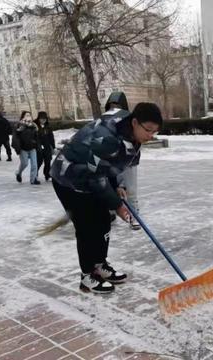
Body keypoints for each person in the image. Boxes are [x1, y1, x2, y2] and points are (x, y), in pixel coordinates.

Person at [50, 102, 163, 294]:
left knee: (103, 222)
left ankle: (99, 264)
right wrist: (117, 205)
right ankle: (87, 276)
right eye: (149, 130)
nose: (151, 136)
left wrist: (116, 185)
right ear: (135, 122)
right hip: (69, 177)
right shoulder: (106, 138)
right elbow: (95, 176)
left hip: (92, 174)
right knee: (86, 227)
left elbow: (110, 164)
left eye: (155, 132)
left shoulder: (129, 130)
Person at [104, 92, 142, 231]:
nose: (114, 110)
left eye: (117, 106)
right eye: (111, 107)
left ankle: (134, 216)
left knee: (130, 189)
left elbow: (135, 142)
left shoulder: (130, 123)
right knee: (111, 187)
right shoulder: (106, 122)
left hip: (128, 160)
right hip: (111, 161)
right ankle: (110, 212)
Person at [12, 111, 41, 185]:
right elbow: (15, 137)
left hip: (32, 147)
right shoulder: (19, 125)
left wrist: (37, 144)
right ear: (23, 117)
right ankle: (19, 173)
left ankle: (33, 179)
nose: (28, 116)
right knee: (24, 163)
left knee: (34, 164)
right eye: (26, 115)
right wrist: (17, 147)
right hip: (23, 148)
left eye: (29, 115)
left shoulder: (34, 125)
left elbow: (36, 136)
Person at [34, 111, 55, 181]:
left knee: (48, 161)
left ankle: (47, 174)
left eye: (44, 119)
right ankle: (35, 174)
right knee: (39, 161)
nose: (43, 120)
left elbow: (51, 137)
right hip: (38, 147)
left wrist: (53, 146)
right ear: (38, 119)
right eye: (41, 118)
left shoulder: (48, 126)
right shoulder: (35, 126)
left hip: (47, 147)